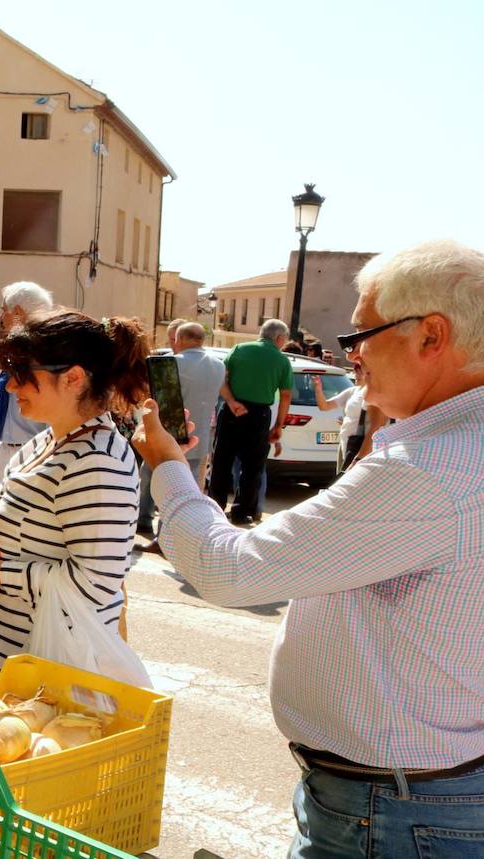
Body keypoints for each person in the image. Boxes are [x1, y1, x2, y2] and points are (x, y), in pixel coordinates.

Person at [134, 239, 484, 858]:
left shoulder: (430, 469)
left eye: (362, 335)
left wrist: (167, 463)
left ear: (432, 335)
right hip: (411, 791)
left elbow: (228, 570)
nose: (351, 356)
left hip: (392, 807)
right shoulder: (446, 449)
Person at [0, 311, 149, 676]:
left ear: (73, 378)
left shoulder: (98, 462)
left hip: (49, 673)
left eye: (22, 374)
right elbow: (38, 533)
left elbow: (94, 586)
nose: (9, 386)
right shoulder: (51, 439)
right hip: (13, 662)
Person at [136, 322, 226, 536]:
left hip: (169, 434)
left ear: (179, 338)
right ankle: (170, 534)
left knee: (151, 477)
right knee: (185, 485)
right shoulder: (218, 365)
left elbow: (157, 402)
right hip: (200, 436)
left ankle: (145, 521)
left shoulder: (171, 363)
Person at [208, 318, 294, 524]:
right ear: (279, 338)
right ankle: (241, 512)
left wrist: (230, 401)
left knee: (221, 459)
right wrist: (278, 426)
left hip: (231, 411)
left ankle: (214, 507)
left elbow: (221, 378)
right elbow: (285, 396)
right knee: (252, 466)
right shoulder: (282, 361)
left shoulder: (239, 349)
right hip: (258, 414)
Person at [0, 283, 54, 484]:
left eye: (3, 310)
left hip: (33, 454)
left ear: (17, 313)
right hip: (7, 448)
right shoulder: (15, 351)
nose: (0, 317)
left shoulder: (43, 356)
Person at [311, 375, 378, 473]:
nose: (356, 374)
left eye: (359, 369)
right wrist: (318, 389)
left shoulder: (372, 393)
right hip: (345, 443)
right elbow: (324, 406)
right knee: (341, 475)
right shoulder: (352, 391)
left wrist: (359, 457)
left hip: (359, 446)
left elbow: (376, 425)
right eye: (355, 369)